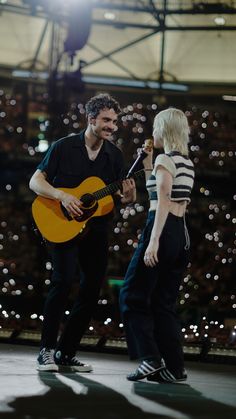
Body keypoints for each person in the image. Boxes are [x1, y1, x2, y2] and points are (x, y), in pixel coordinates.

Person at [29, 93, 136, 372]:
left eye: (114, 121)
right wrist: (62, 196)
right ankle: (46, 350)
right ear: (91, 119)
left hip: (97, 230)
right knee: (62, 283)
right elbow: (35, 181)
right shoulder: (63, 147)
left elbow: (116, 198)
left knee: (90, 291)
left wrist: (129, 197)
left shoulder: (115, 155)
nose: (112, 126)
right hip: (63, 226)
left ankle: (66, 352)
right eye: (106, 120)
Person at [119, 107, 195, 382]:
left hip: (161, 230)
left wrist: (153, 242)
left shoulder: (167, 159)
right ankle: (175, 368)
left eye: (155, 128)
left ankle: (150, 359)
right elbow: (162, 192)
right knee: (163, 303)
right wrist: (149, 163)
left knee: (131, 295)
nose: (152, 133)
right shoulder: (183, 161)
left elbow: (161, 200)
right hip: (181, 235)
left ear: (164, 130)